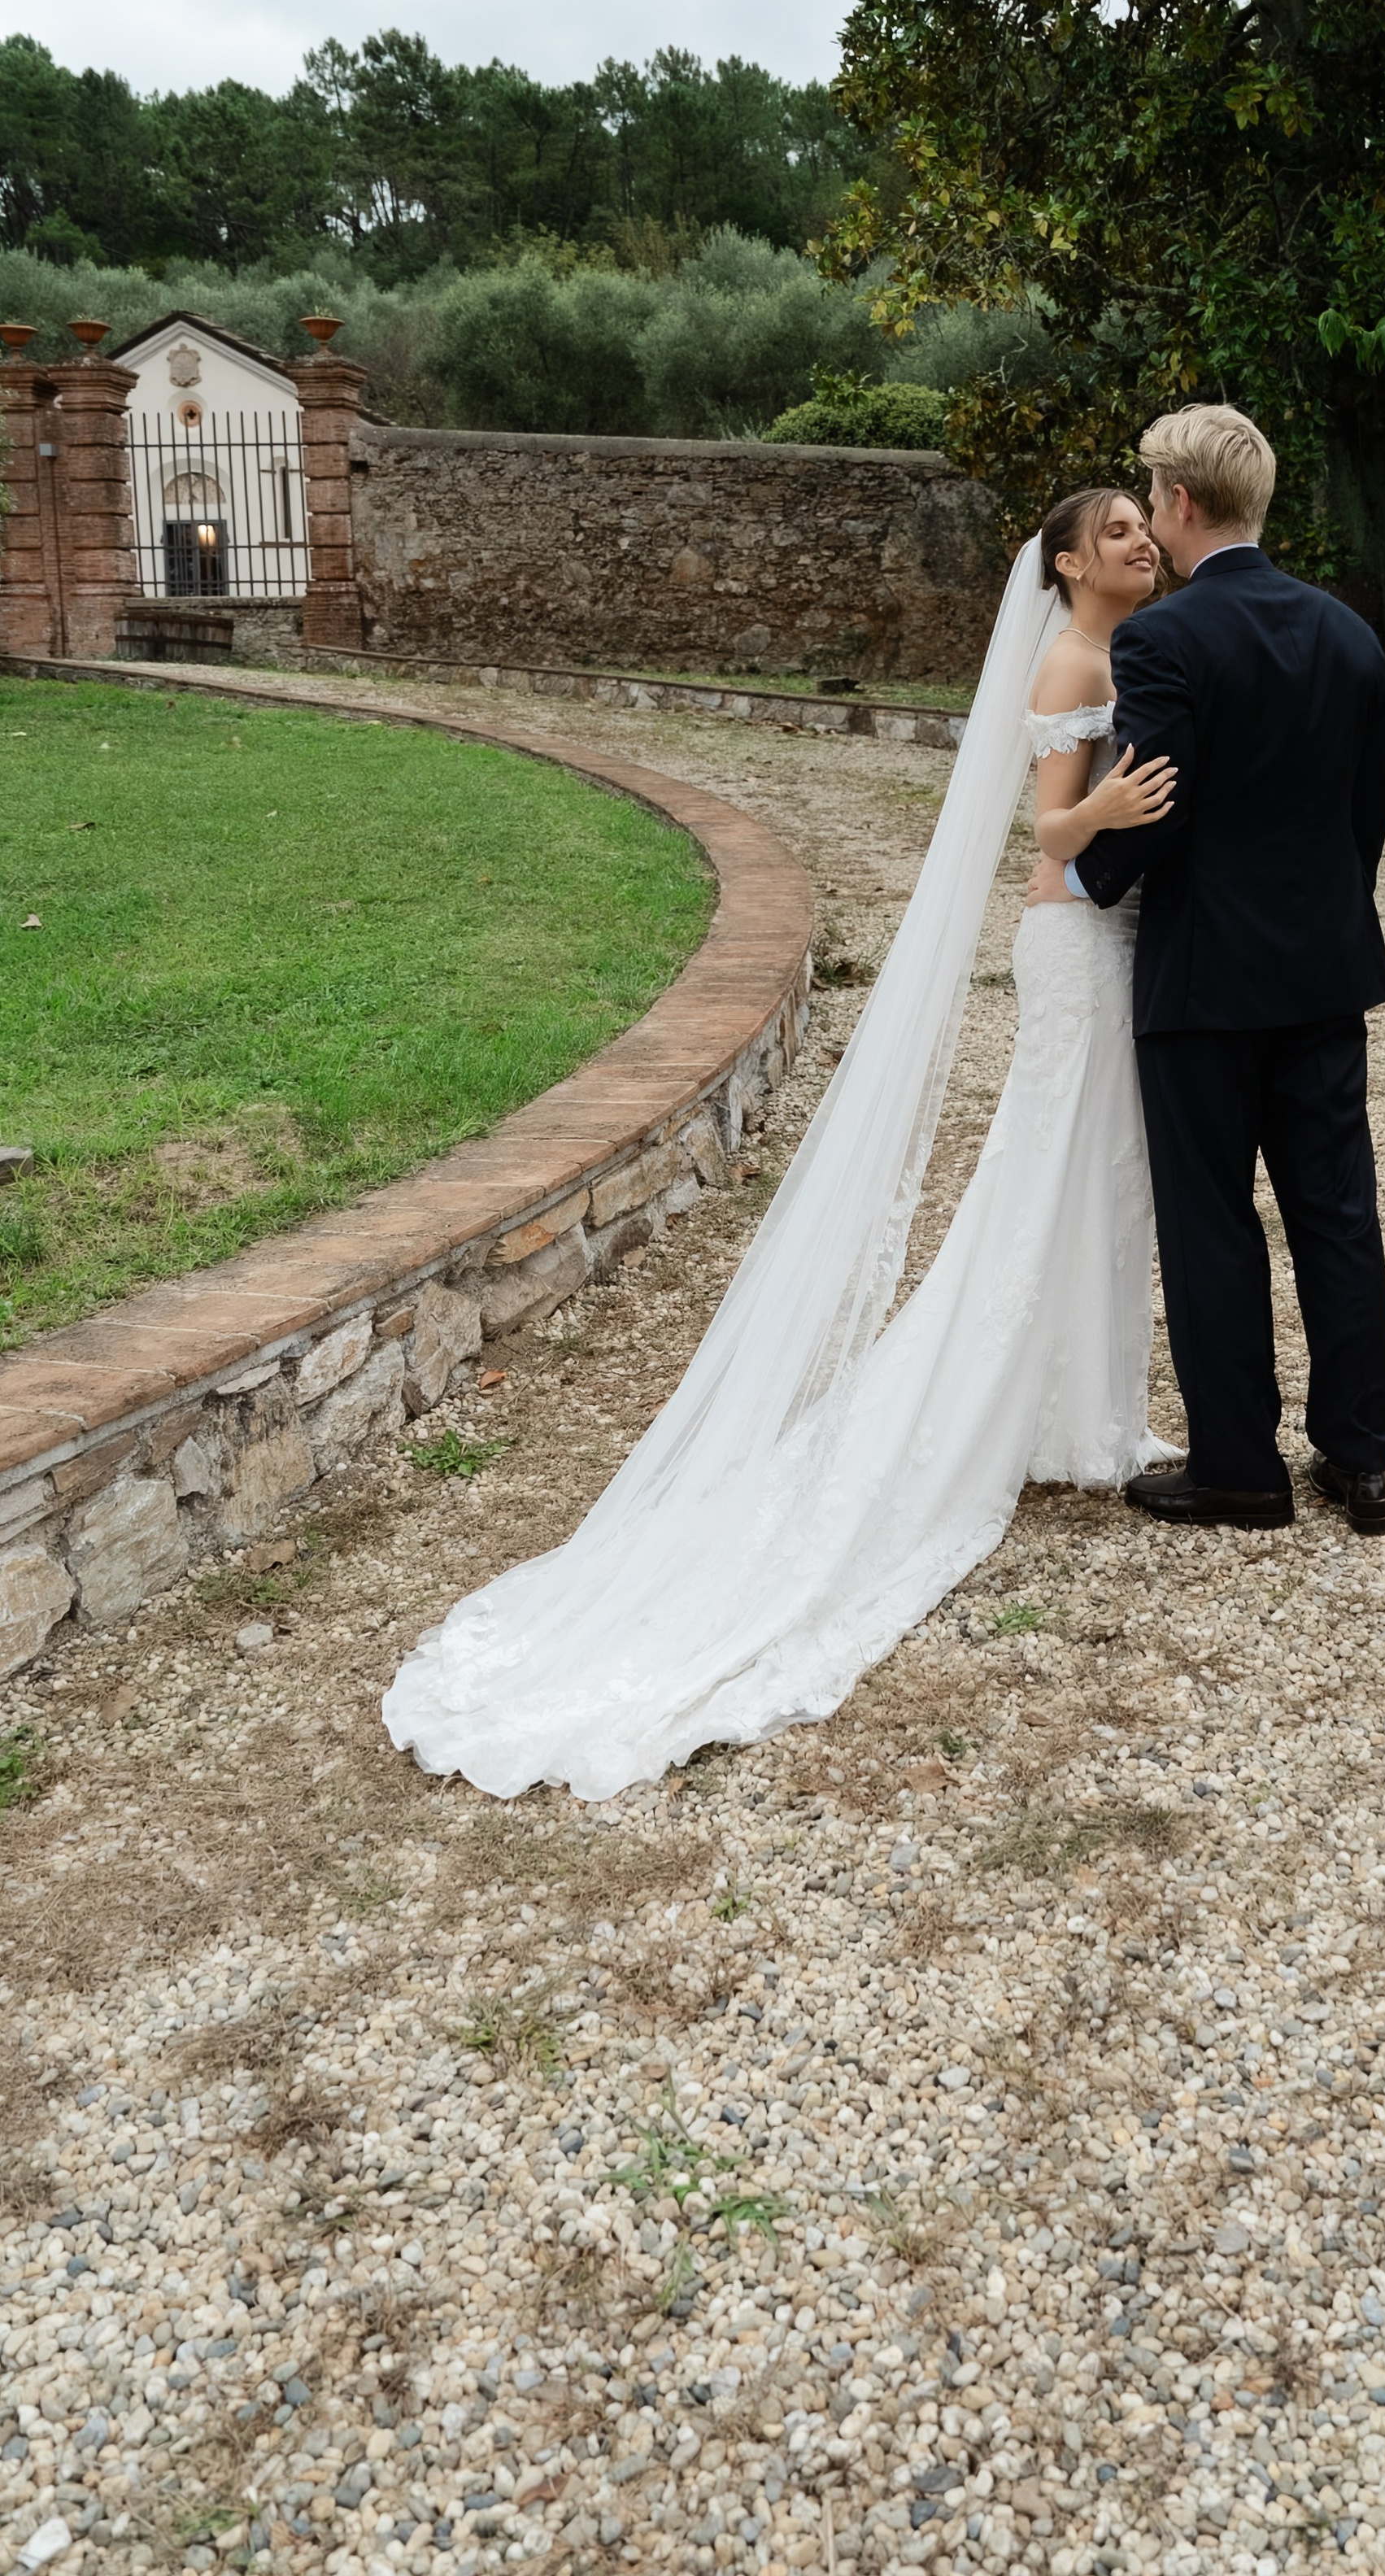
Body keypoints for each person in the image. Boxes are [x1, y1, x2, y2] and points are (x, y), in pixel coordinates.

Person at [382, 488, 1180, 1802]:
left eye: (1144, 529)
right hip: (1070, 942)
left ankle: (1091, 1413)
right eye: (1115, 534)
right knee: (1048, 1180)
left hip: (1106, 942)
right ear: (1065, 565)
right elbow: (1039, 833)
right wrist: (1112, 812)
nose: (1139, 544)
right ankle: (1023, 1413)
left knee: (1091, 1178)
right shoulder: (1072, 659)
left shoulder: (1124, 650)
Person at [1045, 404, 1385, 1536]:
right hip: (1324, 974)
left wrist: (1088, 876)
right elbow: (1364, 820)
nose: (1152, 519)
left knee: (1212, 1220)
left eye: (1153, 501)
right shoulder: (1351, 635)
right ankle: (1360, 1460)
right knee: (1336, 1212)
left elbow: (1157, 798)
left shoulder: (1165, 639)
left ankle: (1241, 1468)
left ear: (1183, 504)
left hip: (1203, 981)